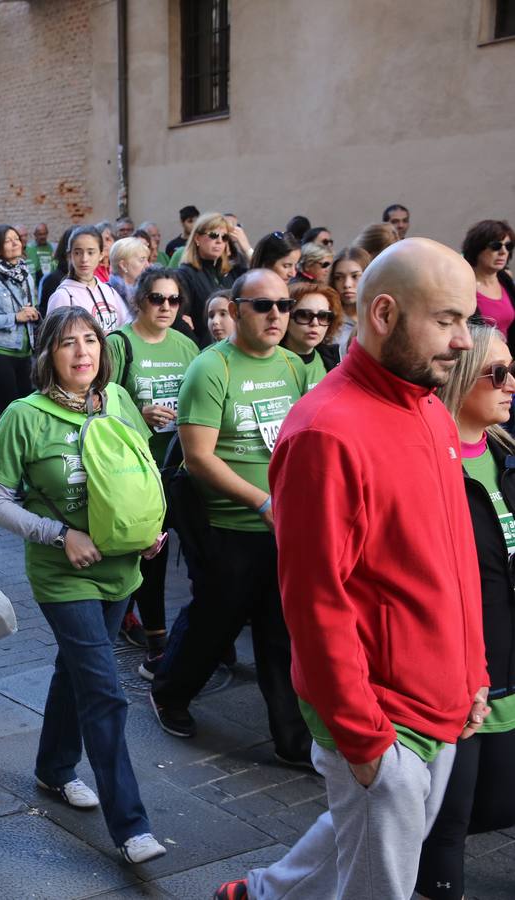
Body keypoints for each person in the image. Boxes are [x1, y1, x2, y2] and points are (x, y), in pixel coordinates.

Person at [217, 239, 489, 900]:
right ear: (385, 314)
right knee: (381, 880)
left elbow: (455, 558)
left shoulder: (428, 405)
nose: (464, 342)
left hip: (442, 697)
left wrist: (473, 672)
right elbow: (314, 602)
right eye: (448, 320)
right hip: (380, 713)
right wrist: (365, 741)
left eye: (467, 321)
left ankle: (263, 892)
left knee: (369, 837)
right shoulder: (324, 433)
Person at [0, 306, 168, 865]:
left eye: (91, 340)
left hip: (122, 568)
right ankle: (131, 826)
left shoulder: (118, 401)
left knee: (75, 670)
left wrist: (150, 528)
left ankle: (54, 768)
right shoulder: (25, 416)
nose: (83, 352)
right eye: (68, 344)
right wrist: (59, 533)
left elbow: (139, 474)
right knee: (104, 689)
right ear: (46, 356)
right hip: (64, 576)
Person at [149, 268, 313, 768]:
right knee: (216, 620)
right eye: (263, 306)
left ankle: (292, 740)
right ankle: (170, 692)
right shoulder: (212, 368)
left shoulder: (293, 365)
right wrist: (262, 503)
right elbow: (199, 457)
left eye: (285, 306)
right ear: (237, 309)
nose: (277, 316)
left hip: (283, 524)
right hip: (225, 525)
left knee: (280, 629)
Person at [417, 323, 515, 900]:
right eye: (496, 373)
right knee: (445, 826)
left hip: (507, 658)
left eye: (512, 370)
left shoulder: (506, 451)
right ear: (459, 377)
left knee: (494, 805)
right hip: (458, 672)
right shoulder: (430, 463)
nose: (510, 385)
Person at [105, 267, 199, 676]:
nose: (166, 307)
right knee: (152, 558)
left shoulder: (186, 346)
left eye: (173, 300)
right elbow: (96, 402)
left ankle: (202, 635)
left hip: (181, 465)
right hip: (138, 470)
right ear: (139, 300)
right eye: (157, 299)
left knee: (196, 553)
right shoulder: (119, 344)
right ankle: (156, 640)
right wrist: (137, 413)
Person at [0, 224, 40, 424]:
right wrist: (14, 317)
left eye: (16, 239)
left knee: (27, 408)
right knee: (9, 413)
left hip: (25, 353)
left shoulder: (27, 275)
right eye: (8, 240)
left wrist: (33, 314)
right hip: (0, 353)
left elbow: (29, 307)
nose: (14, 243)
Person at [174, 212, 245, 346]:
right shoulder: (185, 274)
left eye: (224, 237)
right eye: (213, 235)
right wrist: (197, 349)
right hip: (204, 349)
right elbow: (180, 320)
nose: (219, 241)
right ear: (197, 239)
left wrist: (246, 248)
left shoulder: (231, 272)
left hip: (234, 348)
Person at [46, 225, 129, 333]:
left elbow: (127, 329)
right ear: (69, 256)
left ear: (101, 255)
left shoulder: (110, 292)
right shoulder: (63, 296)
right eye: (78, 253)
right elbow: (54, 341)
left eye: (91, 252)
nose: (84, 259)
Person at [281, 282, 342, 389]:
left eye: (323, 316)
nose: (315, 323)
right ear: (285, 317)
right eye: (304, 315)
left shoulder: (335, 359)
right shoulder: (269, 359)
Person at [462, 218, 515, 339]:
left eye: (508, 246)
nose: (503, 251)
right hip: (479, 355)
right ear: (477, 248)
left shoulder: (505, 279)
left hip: (506, 355)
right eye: (496, 246)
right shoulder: (464, 285)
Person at [328, 246, 370, 354]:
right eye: (339, 278)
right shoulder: (326, 318)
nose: (347, 284)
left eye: (355, 276)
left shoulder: (378, 316)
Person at [106, 236, 152, 304]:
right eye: (142, 260)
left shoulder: (147, 292)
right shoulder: (107, 295)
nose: (148, 265)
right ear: (123, 265)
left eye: (147, 260)